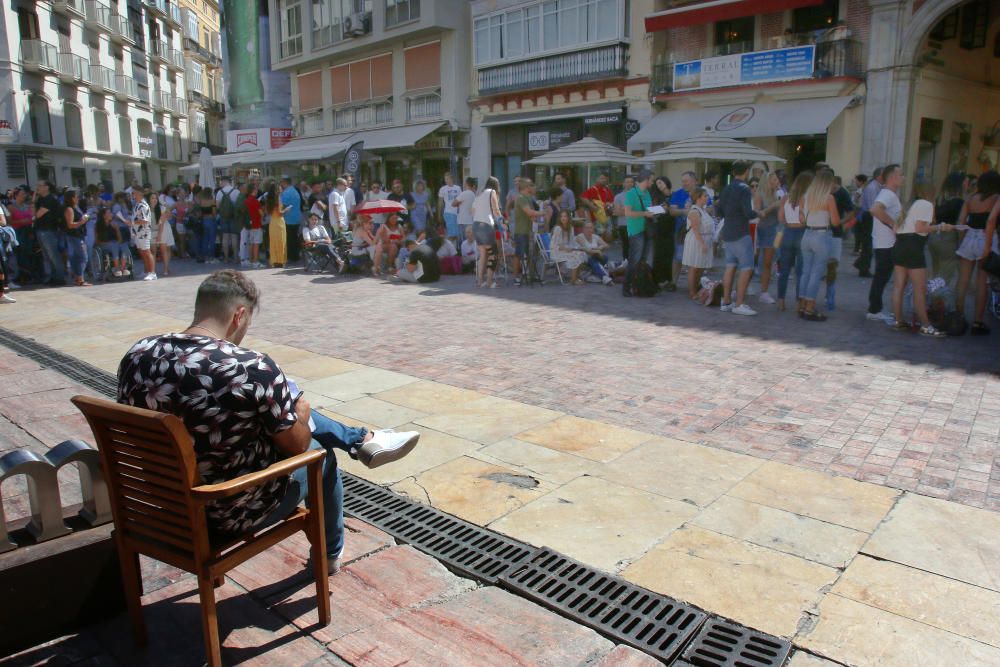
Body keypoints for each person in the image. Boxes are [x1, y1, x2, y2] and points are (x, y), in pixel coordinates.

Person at [116, 270, 419, 572]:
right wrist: (299, 415)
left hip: (163, 504)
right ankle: (328, 555)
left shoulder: (137, 356)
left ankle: (361, 440)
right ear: (239, 315)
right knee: (320, 456)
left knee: (275, 410)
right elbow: (299, 447)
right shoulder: (250, 367)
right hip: (227, 510)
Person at [889, 184, 950, 337]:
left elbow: (895, 229)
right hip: (914, 246)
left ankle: (898, 321)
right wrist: (940, 227)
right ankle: (926, 325)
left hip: (900, 244)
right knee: (920, 289)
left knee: (898, 286)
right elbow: (920, 228)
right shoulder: (926, 204)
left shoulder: (908, 205)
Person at [955, 169, 1000, 334]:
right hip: (986, 237)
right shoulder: (997, 198)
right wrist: (988, 245)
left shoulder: (970, 199)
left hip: (969, 237)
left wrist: (961, 242)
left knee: (963, 281)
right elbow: (991, 221)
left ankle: (958, 316)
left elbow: (961, 222)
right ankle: (977, 322)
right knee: (982, 284)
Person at [717, 161, 760, 315]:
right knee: (746, 268)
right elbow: (748, 212)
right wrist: (759, 213)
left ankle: (726, 301)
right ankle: (739, 303)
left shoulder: (726, 188)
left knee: (730, 266)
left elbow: (719, 210)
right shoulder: (744, 189)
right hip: (741, 232)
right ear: (746, 172)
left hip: (728, 231)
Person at [797, 170, 841, 321]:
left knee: (805, 272)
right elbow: (835, 222)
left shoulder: (805, 197)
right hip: (821, 235)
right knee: (816, 273)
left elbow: (801, 219)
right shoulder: (828, 198)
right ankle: (810, 307)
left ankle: (802, 305)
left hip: (806, 235)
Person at [866, 164, 903, 323]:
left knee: (881, 276)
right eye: (900, 175)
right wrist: (893, 224)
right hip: (886, 243)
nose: (903, 178)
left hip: (884, 242)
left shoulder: (889, 194)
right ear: (892, 177)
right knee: (881, 277)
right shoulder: (888, 194)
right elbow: (875, 210)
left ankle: (875, 308)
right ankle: (874, 309)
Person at [777, 171, 812, 312]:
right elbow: (805, 219)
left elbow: (780, 217)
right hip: (802, 233)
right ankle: (799, 302)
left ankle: (781, 301)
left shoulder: (786, 198)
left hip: (787, 233)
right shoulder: (806, 199)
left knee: (784, 269)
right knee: (801, 271)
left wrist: (788, 223)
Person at [927, 172, 965, 285]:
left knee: (936, 270)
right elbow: (960, 223)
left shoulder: (940, 199)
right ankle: (936, 299)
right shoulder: (960, 203)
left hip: (935, 236)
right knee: (945, 274)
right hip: (949, 239)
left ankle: (931, 297)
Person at [826, 172, 855, 311]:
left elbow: (851, 211)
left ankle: (829, 296)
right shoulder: (820, 190)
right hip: (820, 231)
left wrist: (841, 222)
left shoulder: (842, 193)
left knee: (832, 265)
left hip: (835, 233)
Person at [668, 172, 703, 290]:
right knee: (678, 257)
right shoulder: (678, 194)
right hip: (682, 231)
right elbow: (672, 211)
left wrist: (694, 210)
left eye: (686, 181)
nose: (684, 183)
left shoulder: (702, 193)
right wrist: (685, 211)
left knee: (697, 259)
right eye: (682, 181)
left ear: (694, 181)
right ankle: (673, 283)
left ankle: (694, 284)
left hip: (698, 230)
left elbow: (710, 208)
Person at [623, 170, 654, 297]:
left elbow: (648, 209)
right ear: (646, 180)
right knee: (634, 260)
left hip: (647, 229)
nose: (653, 182)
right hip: (636, 231)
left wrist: (656, 211)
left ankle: (639, 285)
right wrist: (644, 214)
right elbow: (628, 213)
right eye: (651, 180)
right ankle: (627, 286)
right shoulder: (631, 193)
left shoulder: (647, 193)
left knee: (643, 260)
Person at [754, 172, 784, 304]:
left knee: (770, 261)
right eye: (774, 179)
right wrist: (774, 206)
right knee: (754, 261)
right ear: (767, 182)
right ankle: (738, 288)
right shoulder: (759, 195)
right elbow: (757, 214)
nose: (777, 181)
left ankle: (764, 291)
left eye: (777, 179)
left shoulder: (777, 194)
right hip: (762, 231)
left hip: (775, 231)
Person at [682, 188, 715, 300]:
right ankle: (692, 292)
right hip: (696, 241)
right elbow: (695, 230)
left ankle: (696, 288)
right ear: (698, 198)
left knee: (701, 267)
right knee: (694, 266)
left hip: (706, 238)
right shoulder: (694, 211)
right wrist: (702, 244)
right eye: (705, 196)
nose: (707, 198)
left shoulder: (704, 210)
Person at [512, 178, 546, 285]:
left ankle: (530, 275)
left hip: (528, 231)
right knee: (519, 254)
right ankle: (516, 277)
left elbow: (530, 215)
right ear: (527, 187)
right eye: (531, 185)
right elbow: (529, 212)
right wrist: (542, 213)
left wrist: (535, 218)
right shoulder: (521, 198)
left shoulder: (528, 198)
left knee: (530, 254)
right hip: (521, 231)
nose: (533, 187)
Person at [32, 180, 66, 286]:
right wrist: (33, 200)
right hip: (41, 229)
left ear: (47, 187)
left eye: (40, 185)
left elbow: (37, 215)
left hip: (49, 230)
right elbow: (33, 213)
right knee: (46, 255)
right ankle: (52, 277)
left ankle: (60, 277)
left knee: (53, 255)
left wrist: (34, 211)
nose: (37, 187)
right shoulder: (40, 199)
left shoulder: (50, 199)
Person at [472, 176, 502, 289]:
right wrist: (502, 221)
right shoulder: (492, 192)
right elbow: (496, 209)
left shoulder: (479, 194)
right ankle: (489, 282)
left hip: (476, 226)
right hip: (486, 225)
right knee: (493, 254)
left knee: (483, 254)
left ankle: (480, 281)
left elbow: (472, 211)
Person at [855, 167, 884, 277]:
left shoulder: (876, 187)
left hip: (869, 216)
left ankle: (862, 264)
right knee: (868, 243)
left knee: (868, 243)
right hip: (869, 216)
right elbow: (873, 206)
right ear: (879, 176)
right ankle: (863, 268)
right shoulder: (873, 188)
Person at [650, 176, 675, 290]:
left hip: (671, 228)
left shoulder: (673, 195)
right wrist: (662, 208)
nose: (659, 185)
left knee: (669, 254)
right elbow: (651, 210)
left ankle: (668, 279)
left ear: (666, 182)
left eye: (661, 182)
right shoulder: (656, 196)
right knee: (659, 254)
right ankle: (658, 280)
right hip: (659, 228)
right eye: (657, 184)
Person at [551, 209, 587, 285]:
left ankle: (576, 277)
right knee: (576, 255)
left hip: (567, 250)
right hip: (557, 251)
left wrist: (577, 248)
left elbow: (572, 242)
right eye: (561, 216)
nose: (563, 218)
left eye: (565, 216)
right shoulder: (558, 228)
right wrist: (566, 249)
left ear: (568, 218)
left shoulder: (570, 227)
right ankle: (573, 280)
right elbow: (555, 245)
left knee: (582, 253)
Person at [575, 221, 613, 285]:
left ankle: (605, 274)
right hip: (585, 259)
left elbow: (607, 246)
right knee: (593, 260)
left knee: (604, 258)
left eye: (590, 228)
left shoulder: (595, 236)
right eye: (586, 228)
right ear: (583, 229)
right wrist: (597, 251)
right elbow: (587, 250)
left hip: (596, 257)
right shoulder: (580, 237)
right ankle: (604, 276)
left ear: (593, 229)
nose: (589, 229)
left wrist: (599, 248)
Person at [96, 206, 127, 278]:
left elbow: (120, 240)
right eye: (109, 213)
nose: (111, 214)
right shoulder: (98, 226)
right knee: (114, 245)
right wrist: (107, 243)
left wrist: (117, 230)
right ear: (104, 216)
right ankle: (116, 268)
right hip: (104, 245)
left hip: (115, 244)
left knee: (124, 245)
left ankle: (122, 268)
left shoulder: (114, 225)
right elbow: (97, 241)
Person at [581, 173, 615, 239]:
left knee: (608, 236)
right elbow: (583, 197)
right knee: (599, 237)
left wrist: (610, 205)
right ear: (597, 179)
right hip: (596, 217)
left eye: (605, 178)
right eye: (601, 178)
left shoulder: (608, 190)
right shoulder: (593, 189)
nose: (603, 180)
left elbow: (612, 202)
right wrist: (592, 206)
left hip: (607, 216)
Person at [280, 177, 304, 262]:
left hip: (289, 218)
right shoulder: (294, 191)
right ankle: (296, 255)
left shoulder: (286, 192)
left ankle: (292, 256)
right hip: (296, 217)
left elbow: (282, 205)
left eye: (281, 182)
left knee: (290, 238)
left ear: (284, 182)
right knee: (294, 237)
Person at [217, 178, 239, 264]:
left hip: (223, 217)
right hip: (233, 217)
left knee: (225, 237)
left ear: (224, 181)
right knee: (234, 237)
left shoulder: (219, 192)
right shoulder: (236, 191)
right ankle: (235, 257)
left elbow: (218, 206)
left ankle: (226, 258)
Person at [613, 175, 635, 262]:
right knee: (626, 246)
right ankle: (626, 265)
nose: (629, 184)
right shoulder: (618, 197)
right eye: (627, 181)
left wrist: (624, 209)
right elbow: (617, 212)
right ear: (623, 184)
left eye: (631, 182)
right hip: (624, 225)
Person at [151, 202, 175, 277]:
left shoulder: (159, 208)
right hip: (163, 228)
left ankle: (165, 268)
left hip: (162, 228)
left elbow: (165, 218)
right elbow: (167, 218)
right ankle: (165, 269)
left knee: (164, 250)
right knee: (165, 250)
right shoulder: (162, 207)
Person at [438, 173, 462, 240]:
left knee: (456, 235)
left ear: (452, 179)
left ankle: (453, 249)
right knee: (451, 234)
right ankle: (447, 247)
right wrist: (439, 214)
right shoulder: (443, 189)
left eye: (448, 179)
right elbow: (440, 202)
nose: (446, 181)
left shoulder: (458, 188)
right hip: (448, 213)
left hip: (457, 213)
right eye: (445, 179)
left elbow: (460, 200)